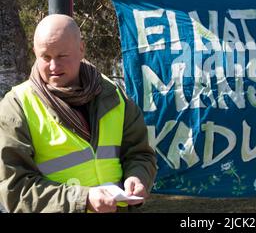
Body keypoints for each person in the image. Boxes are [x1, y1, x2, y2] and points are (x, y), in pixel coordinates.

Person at [0, 14, 157, 213]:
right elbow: (15, 189)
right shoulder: (16, 107)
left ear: (82, 49)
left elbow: (139, 153)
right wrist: (83, 200)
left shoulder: (113, 94)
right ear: (34, 52)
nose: (54, 67)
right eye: (45, 57)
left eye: (62, 56)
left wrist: (138, 177)